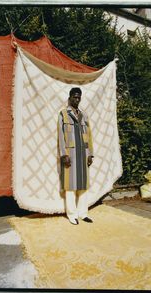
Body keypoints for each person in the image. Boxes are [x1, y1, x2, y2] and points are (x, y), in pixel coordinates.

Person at [57, 87, 94, 225]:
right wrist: (63, 154)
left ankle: (83, 213)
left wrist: (90, 154)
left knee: (83, 185)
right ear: (70, 97)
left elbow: (89, 136)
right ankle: (72, 215)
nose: (77, 100)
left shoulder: (84, 115)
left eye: (79, 97)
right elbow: (60, 136)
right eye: (74, 97)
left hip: (83, 154)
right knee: (71, 185)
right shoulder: (63, 114)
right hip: (70, 155)